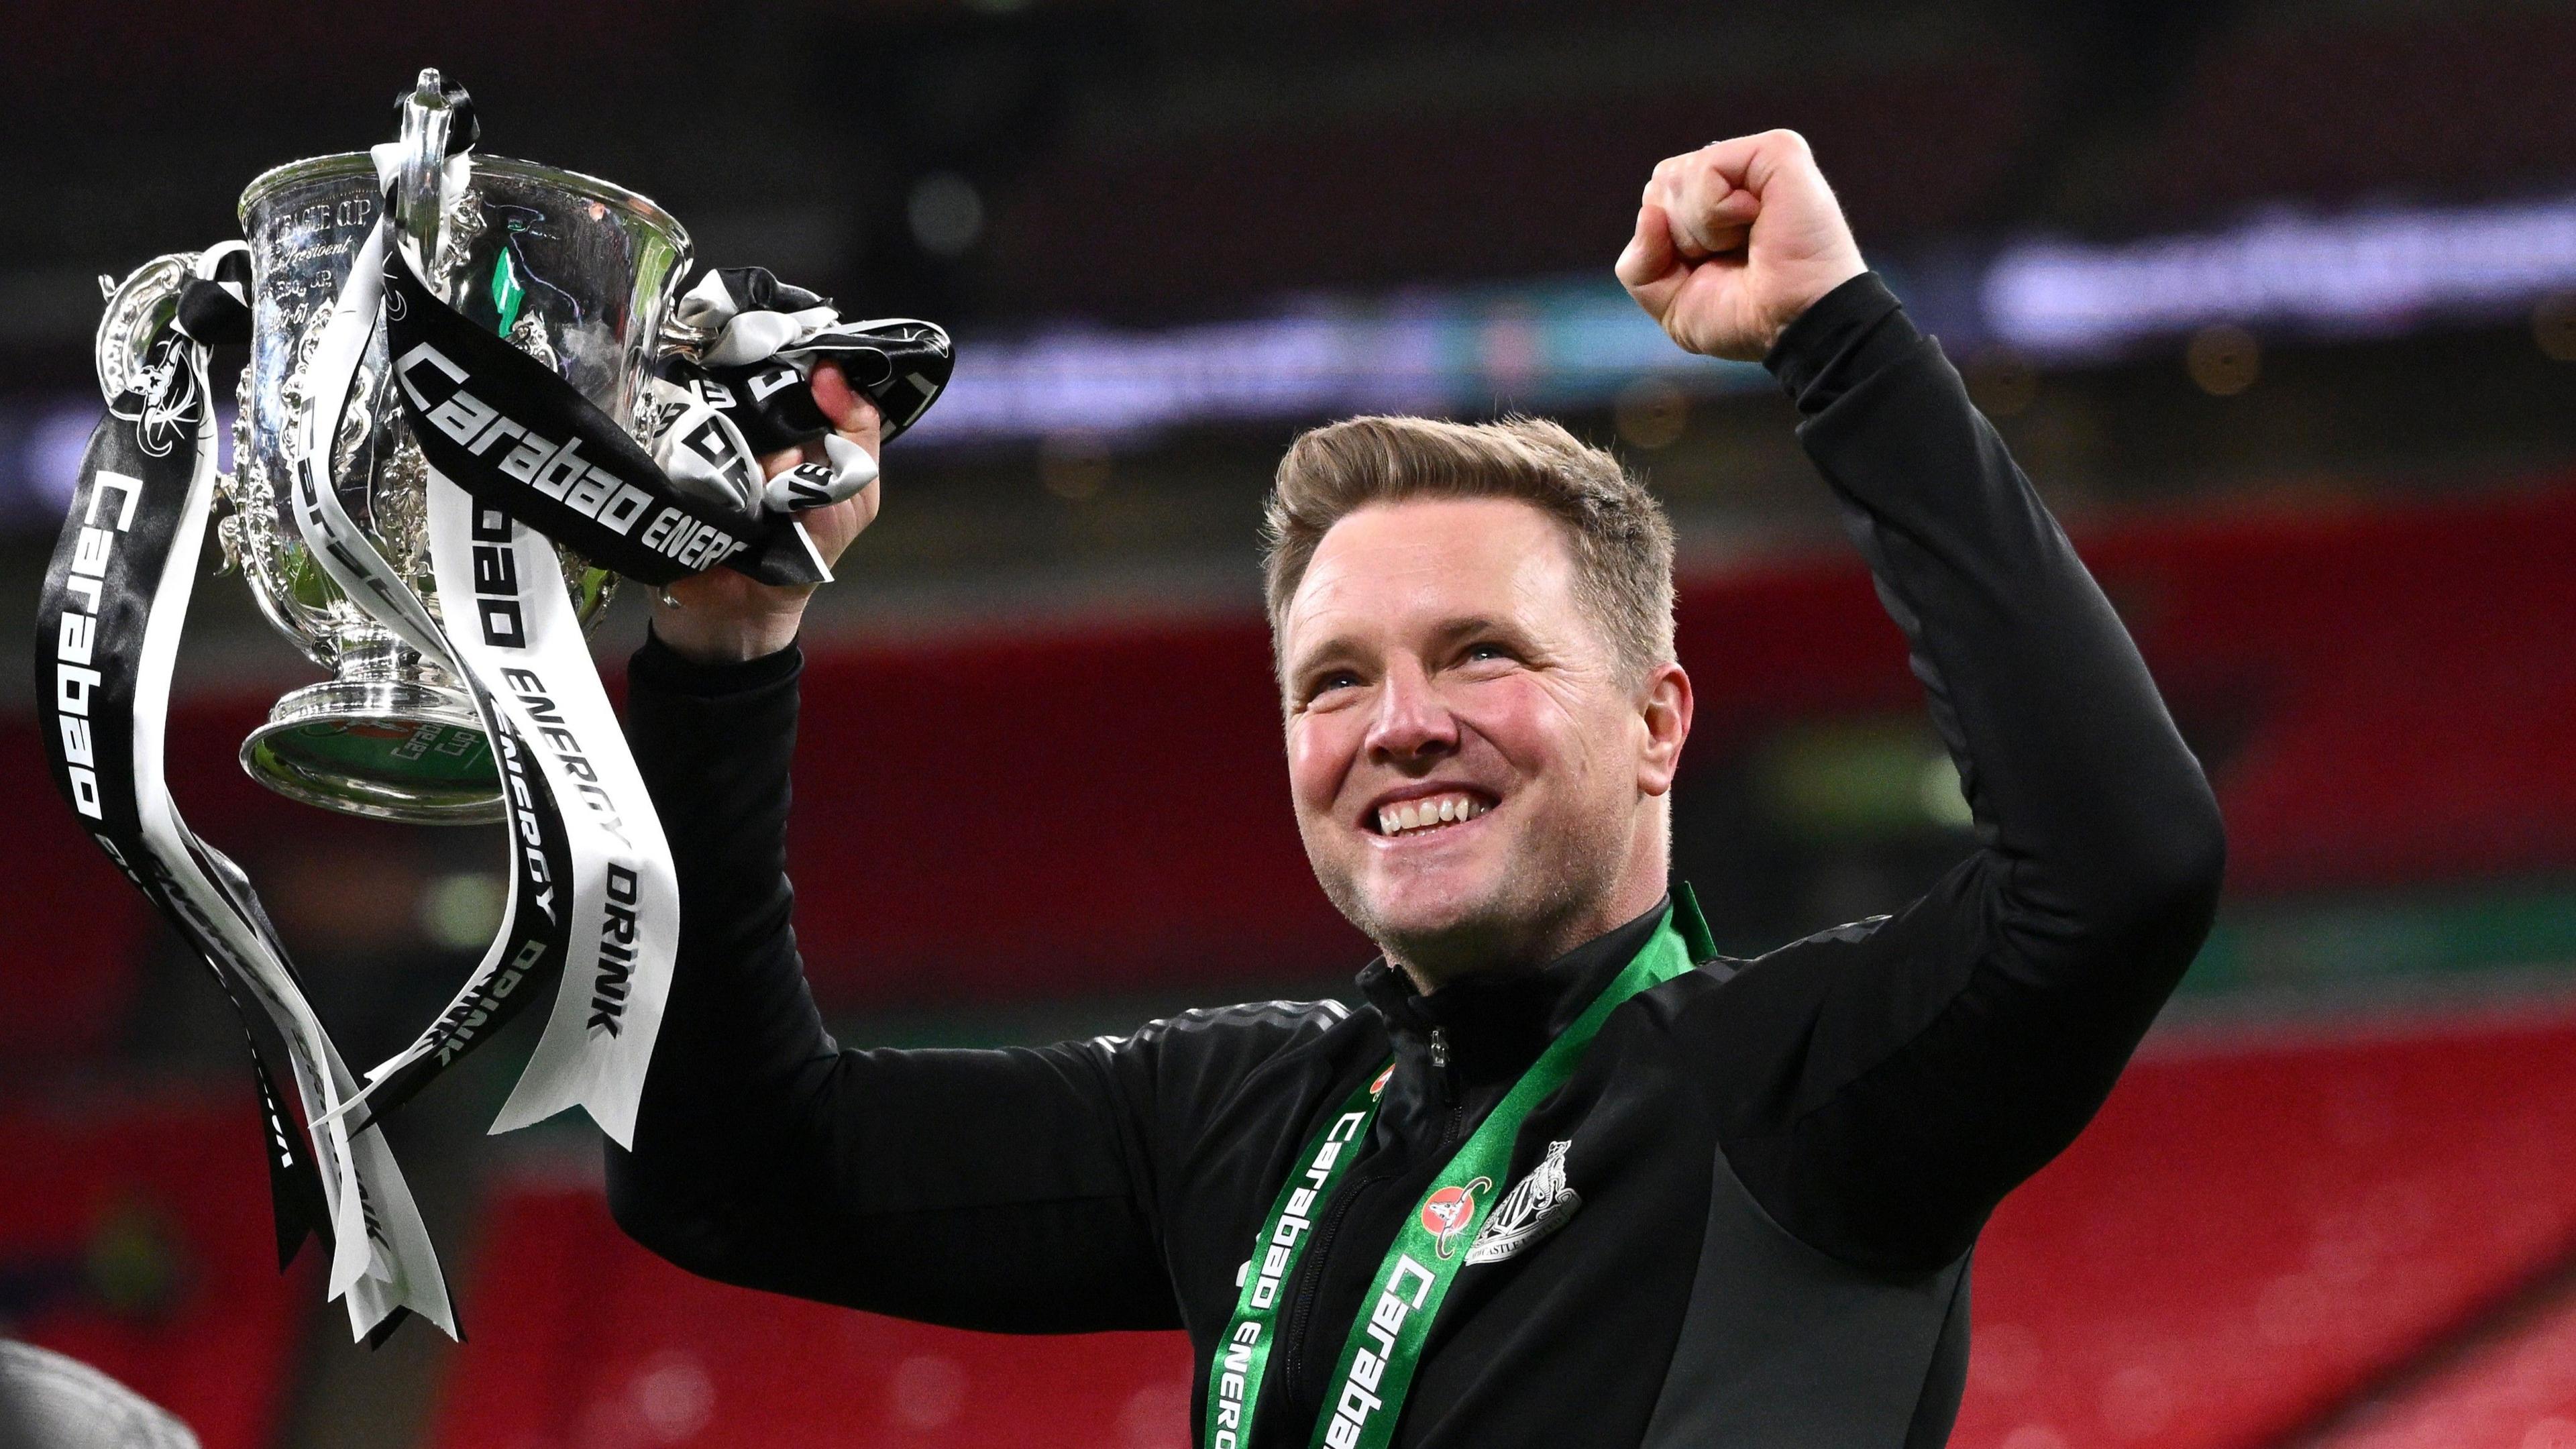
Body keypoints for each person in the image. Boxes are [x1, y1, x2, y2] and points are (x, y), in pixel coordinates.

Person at [610, 130, 2224, 1448]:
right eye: (1335, 680)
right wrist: (723, 650)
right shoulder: (1239, 1123)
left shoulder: (1792, 1094)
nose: (1400, 726)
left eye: (1478, 656)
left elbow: (2118, 867)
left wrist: (1841, 343)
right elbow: (723, 1169)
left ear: (1659, 723)